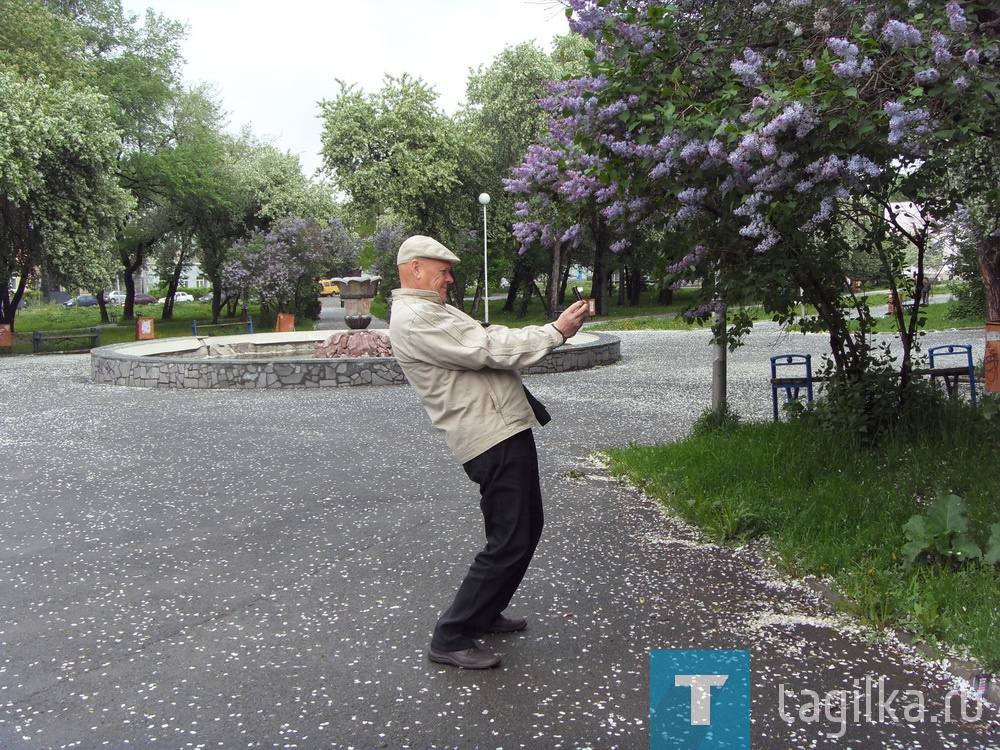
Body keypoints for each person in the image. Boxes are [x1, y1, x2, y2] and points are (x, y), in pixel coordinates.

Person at [389, 235, 589, 669]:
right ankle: (452, 635)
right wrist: (555, 333)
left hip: (500, 427)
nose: (449, 277)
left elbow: (486, 334)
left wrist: (547, 332)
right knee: (511, 536)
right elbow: (486, 350)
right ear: (416, 268)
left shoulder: (432, 310)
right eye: (442, 270)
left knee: (523, 526)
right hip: (490, 435)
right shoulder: (416, 316)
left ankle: (485, 611)